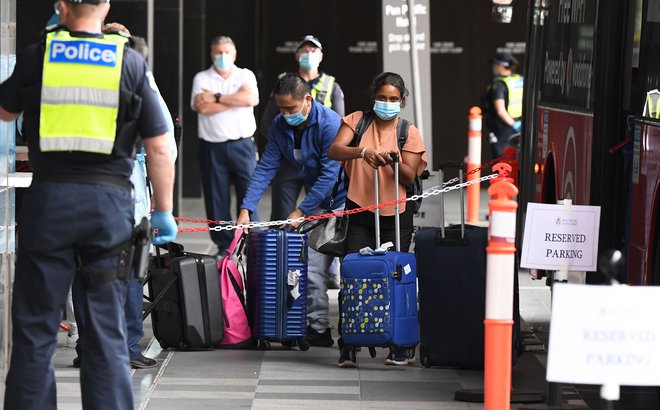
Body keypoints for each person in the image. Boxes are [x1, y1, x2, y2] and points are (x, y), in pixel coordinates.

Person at [0, 0, 177, 408]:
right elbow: (161, 146)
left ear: (61, 6)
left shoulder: (40, 55)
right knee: (106, 334)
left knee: (35, 334)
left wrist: (37, 66)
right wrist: (163, 209)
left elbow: (6, 110)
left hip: (49, 205)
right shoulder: (129, 63)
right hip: (108, 209)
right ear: (106, 6)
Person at [237, 74, 344, 347]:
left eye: (291, 109)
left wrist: (300, 212)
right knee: (312, 267)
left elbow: (328, 177)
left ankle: (339, 328)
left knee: (337, 268)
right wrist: (247, 208)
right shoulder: (279, 125)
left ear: (308, 100)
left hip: (344, 201)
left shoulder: (330, 124)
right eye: (281, 109)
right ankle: (318, 329)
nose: (285, 115)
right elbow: (266, 167)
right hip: (317, 202)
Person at [328, 72, 427, 368]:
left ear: (403, 101)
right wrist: (363, 152)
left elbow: (412, 176)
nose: (387, 103)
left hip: (396, 213)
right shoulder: (357, 120)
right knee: (353, 276)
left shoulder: (408, 131)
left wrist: (394, 159)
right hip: (359, 209)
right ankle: (349, 343)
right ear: (374, 97)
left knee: (396, 277)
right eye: (382, 98)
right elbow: (334, 150)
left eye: (393, 99)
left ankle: (400, 344)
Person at [101, 24, 178, 370]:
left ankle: (89, 347)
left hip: (75, 189)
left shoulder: (80, 77)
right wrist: (164, 210)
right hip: (125, 193)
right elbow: (162, 148)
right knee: (130, 269)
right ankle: (128, 347)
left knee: (85, 270)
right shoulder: (140, 80)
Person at [260, 35, 345, 222]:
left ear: (321, 56)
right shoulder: (283, 84)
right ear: (297, 55)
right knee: (282, 218)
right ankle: (281, 250)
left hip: (318, 161)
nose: (309, 54)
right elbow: (267, 123)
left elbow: (341, 128)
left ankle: (311, 252)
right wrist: (285, 147)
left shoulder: (332, 86)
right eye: (304, 50)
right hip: (289, 162)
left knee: (316, 218)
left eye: (313, 51)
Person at [191, 36, 259, 256]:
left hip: (242, 146)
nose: (222, 57)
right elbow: (202, 107)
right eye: (218, 52)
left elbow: (250, 99)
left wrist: (217, 97)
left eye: (226, 52)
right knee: (215, 198)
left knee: (249, 195)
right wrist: (233, 100)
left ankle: (252, 243)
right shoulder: (202, 77)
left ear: (234, 54)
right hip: (212, 147)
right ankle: (224, 245)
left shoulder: (245, 74)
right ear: (211, 54)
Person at [481, 51, 524, 158]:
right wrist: (519, 126)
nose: (494, 67)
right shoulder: (520, 80)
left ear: (502, 66)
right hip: (519, 125)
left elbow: (500, 111)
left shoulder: (499, 85)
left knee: (501, 163)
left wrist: (513, 125)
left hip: (503, 128)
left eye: (496, 64)